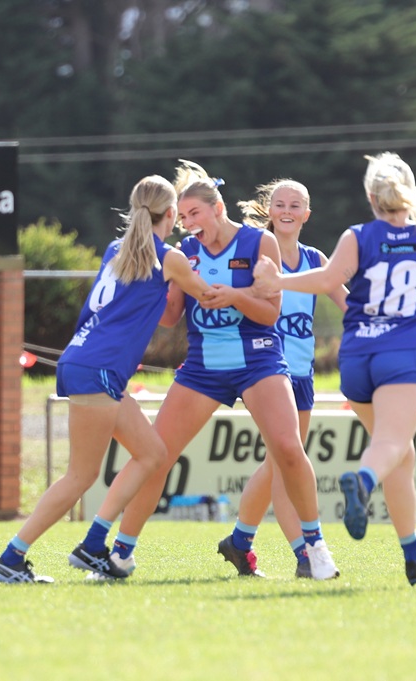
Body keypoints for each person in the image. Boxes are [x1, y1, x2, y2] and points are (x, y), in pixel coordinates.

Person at [96, 160, 339, 582]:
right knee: (156, 457)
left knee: (287, 448)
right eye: (183, 217)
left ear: (218, 208)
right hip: (203, 368)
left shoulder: (258, 243)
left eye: (195, 215)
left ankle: (314, 547)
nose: (189, 224)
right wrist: (149, 286)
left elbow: (269, 312)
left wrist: (234, 296)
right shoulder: (183, 252)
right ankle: (119, 556)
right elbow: (172, 317)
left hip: (258, 359)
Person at [252, 152, 416, 586]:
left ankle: (414, 555)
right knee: (391, 445)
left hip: (356, 359)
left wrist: (278, 281)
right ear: (409, 192)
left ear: (370, 195)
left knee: (401, 454)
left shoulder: (357, 236)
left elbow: (326, 278)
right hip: (403, 355)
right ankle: (362, 480)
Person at [0, 175, 211, 583]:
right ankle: (10, 558)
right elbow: (208, 296)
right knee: (80, 475)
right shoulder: (170, 258)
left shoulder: (118, 248)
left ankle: (94, 544)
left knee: (152, 454)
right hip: (100, 367)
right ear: (170, 215)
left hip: (86, 360)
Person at [218, 179, 347, 579]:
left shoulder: (313, 257)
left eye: (296, 205)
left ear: (307, 214)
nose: (287, 210)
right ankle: (305, 553)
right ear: (269, 210)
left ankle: (239, 542)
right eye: (280, 204)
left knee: (280, 463)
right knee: (288, 462)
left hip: (303, 375)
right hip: (267, 374)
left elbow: (348, 301)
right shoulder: (258, 254)